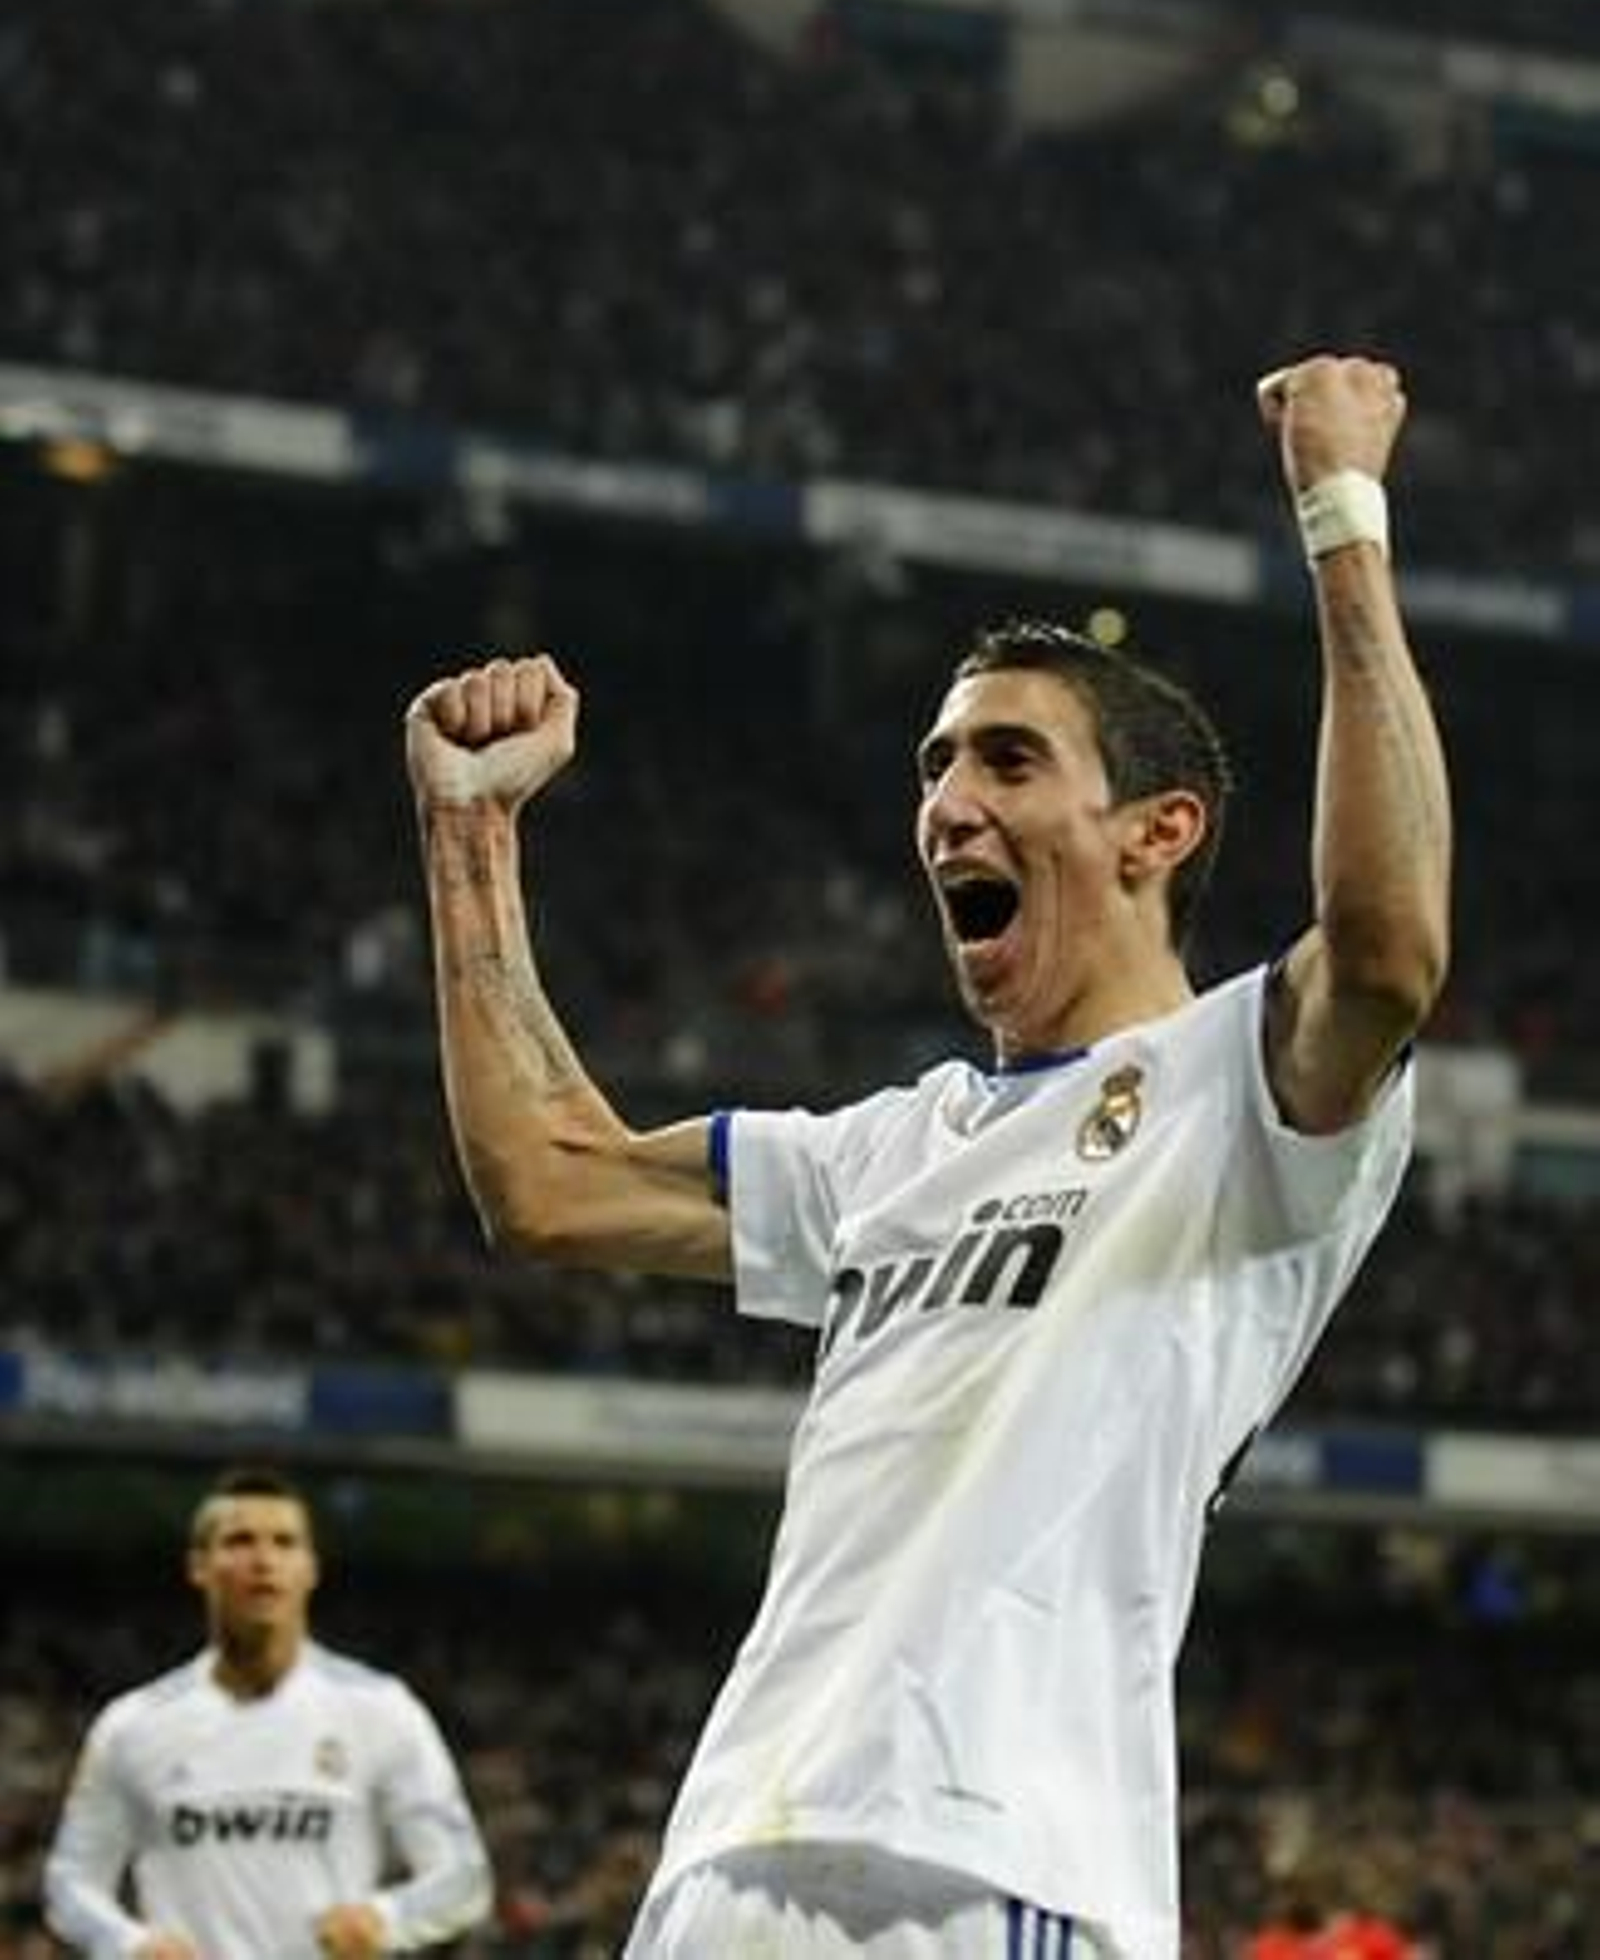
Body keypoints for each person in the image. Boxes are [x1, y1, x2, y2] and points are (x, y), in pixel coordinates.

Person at [404, 352, 1451, 1959]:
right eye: (937, 767)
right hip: (727, 1861)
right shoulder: (891, 1145)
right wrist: (471, 831)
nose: (949, 804)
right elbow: (550, 1181)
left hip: (990, 1872)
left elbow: (1387, 948)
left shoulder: (1237, 1090)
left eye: (1008, 761)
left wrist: (1341, 513)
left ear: (1158, 829)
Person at [44, 1465, 492, 1959]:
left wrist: (385, 1919)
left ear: (311, 1568)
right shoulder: (133, 1726)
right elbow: (69, 1882)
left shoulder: (381, 1709)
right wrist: (130, 1943)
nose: (264, 1560)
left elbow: (464, 1874)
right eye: (240, 1541)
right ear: (199, 1566)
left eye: (285, 1543)